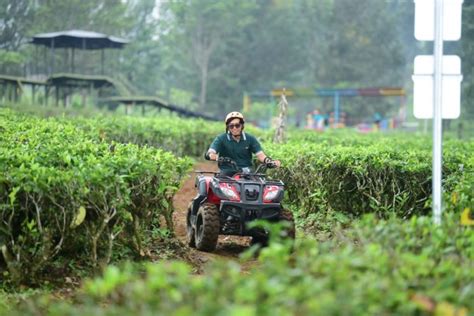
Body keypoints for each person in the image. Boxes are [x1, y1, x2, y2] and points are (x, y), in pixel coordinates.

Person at [205, 111, 280, 176]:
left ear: (242, 126)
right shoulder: (221, 138)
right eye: (231, 126)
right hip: (227, 172)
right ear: (228, 127)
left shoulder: (250, 139)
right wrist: (217, 157)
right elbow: (210, 153)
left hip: (248, 172)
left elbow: (261, 155)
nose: (234, 128)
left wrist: (270, 162)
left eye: (237, 125)